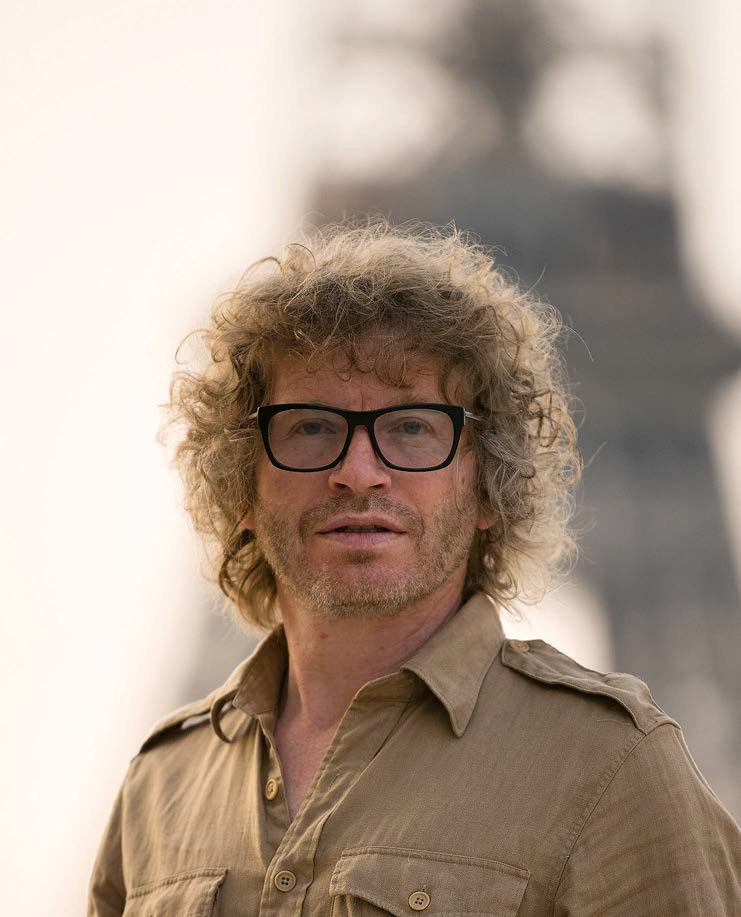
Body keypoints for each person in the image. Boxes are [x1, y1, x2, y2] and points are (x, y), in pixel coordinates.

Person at [87, 219, 740, 916]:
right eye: (311, 427)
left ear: (487, 488)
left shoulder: (615, 770)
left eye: (412, 428)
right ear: (242, 485)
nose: (358, 471)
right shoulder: (158, 788)